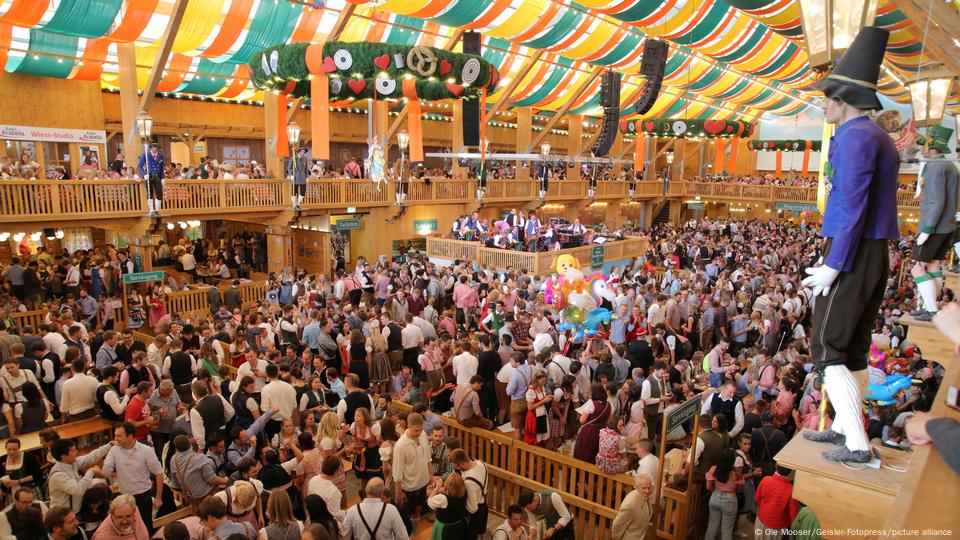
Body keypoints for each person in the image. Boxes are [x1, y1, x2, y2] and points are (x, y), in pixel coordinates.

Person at [800, 27, 900, 463]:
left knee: (826, 349)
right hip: (870, 249)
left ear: (842, 98)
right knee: (854, 348)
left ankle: (857, 442)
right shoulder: (878, 136)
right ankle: (844, 426)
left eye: (826, 97)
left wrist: (834, 263)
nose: (823, 104)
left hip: (852, 251)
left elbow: (852, 204)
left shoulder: (858, 137)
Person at [910, 124, 958, 321]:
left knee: (917, 268)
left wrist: (927, 229)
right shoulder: (950, 166)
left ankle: (931, 309)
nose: (921, 149)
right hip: (946, 225)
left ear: (931, 147)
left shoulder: (937, 168)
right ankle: (932, 306)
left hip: (935, 226)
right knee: (932, 266)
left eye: (923, 145)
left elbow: (937, 201)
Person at [102, 422, 164, 533]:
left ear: (130, 436)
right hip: (124, 497)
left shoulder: (146, 451)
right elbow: (106, 472)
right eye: (115, 435)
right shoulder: (114, 450)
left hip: (143, 496)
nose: (115, 438)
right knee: (125, 529)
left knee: (145, 527)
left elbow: (159, 473)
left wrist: (158, 497)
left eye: (119, 436)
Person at [48, 438, 113, 514]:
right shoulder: (58, 475)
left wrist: (110, 445)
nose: (76, 452)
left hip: (74, 511)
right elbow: (78, 490)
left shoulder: (71, 463)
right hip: (61, 516)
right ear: (63, 456)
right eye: (73, 451)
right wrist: (91, 471)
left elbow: (91, 457)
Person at [392, 412, 432, 522]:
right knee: (407, 515)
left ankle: (417, 519)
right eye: (416, 430)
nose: (419, 433)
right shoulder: (400, 445)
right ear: (408, 426)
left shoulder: (423, 434)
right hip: (410, 486)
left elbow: (428, 457)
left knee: (419, 507)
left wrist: (431, 476)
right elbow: (397, 472)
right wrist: (398, 492)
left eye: (420, 429)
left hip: (424, 481)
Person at [169, 434, 228, 507]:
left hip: (189, 497)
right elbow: (212, 479)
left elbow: (175, 483)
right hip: (206, 495)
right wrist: (227, 480)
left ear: (176, 448)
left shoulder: (173, 459)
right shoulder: (200, 457)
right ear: (190, 443)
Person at [342, 477, 409, 540]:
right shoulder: (391, 510)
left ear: (365, 490)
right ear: (382, 493)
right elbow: (403, 537)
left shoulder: (352, 511)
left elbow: (345, 536)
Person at [704, 449, 743, 540]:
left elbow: (708, 487)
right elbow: (739, 489)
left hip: (715, 497)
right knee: (726, 531)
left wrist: (717, 490)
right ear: (733, 460)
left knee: (712, 526)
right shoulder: (736, 474)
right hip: (730, 500)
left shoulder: (714, 469)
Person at [450, 449, 488, 540]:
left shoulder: (469, 482)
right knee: (480, 533)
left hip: (476, 513)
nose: (457, 470)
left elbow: (472, 508)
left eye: (457, 467)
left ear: (462, 463)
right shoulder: (482, 463)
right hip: (484, 504)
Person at [753, 466, 800, 540]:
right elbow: (793, 516)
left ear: (776, 466)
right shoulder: (791, 490)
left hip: (761, 521)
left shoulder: (766, 479)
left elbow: (757, 499)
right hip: (778, 529)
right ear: (792, 471)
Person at [573, 383, 611, 463]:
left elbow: (582, 420)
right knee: (595, 451)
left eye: (590, 392)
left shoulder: (591, 404)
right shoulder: (608, 405)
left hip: (589, 432)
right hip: (602, 432)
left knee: (584, 452)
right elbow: (608, 420)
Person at [426, 473, 469, 539]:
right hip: (460, 525)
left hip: (446, 529)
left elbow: (430, 502)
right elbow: (450, 490)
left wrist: (436, 489)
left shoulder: (443, 499)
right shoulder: (463, 492)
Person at [611, 474, 654, 539]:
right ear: (636, 487)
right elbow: (617, 526)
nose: (647, 491)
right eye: (644, 488)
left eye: (649, 487)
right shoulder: (630, 504)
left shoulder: (644, 497)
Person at [137, 143, 164, 216]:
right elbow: (139, 166)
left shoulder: (161, 156)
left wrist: (163, 178)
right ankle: (151, 210)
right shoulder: (146, 155)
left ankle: (157, 210)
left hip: (158, 176)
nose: (155, 149)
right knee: (150, 193)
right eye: (153, 147)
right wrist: (144, 174)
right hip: (149, 176)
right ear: (151, 148)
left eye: (156, 147)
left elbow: (162, 168)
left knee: (159, 193)